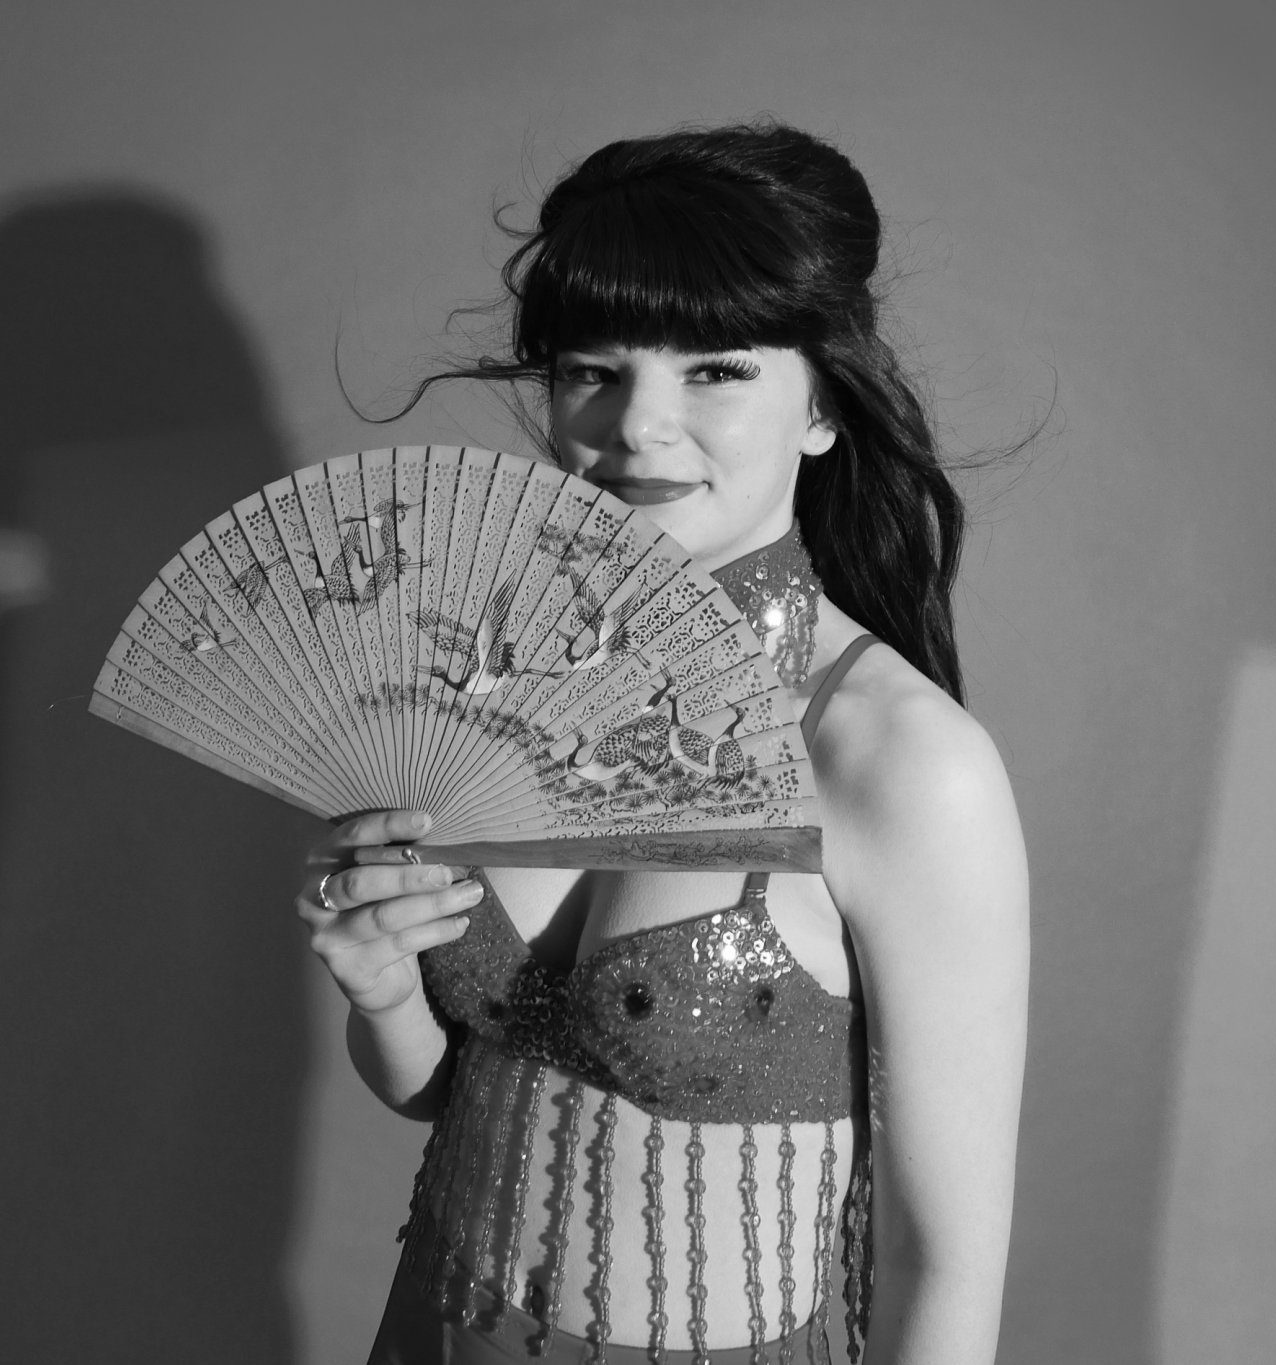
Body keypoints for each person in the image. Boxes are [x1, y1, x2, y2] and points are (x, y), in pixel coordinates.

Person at [297, 123, 1029, 1365]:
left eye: (714, 372)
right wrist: (381, 992)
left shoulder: (898, 760)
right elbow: (450, 1091)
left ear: (821, 405)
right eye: (592, 369)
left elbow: (943, 1261)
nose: (636, 427)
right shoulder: (494, 685)